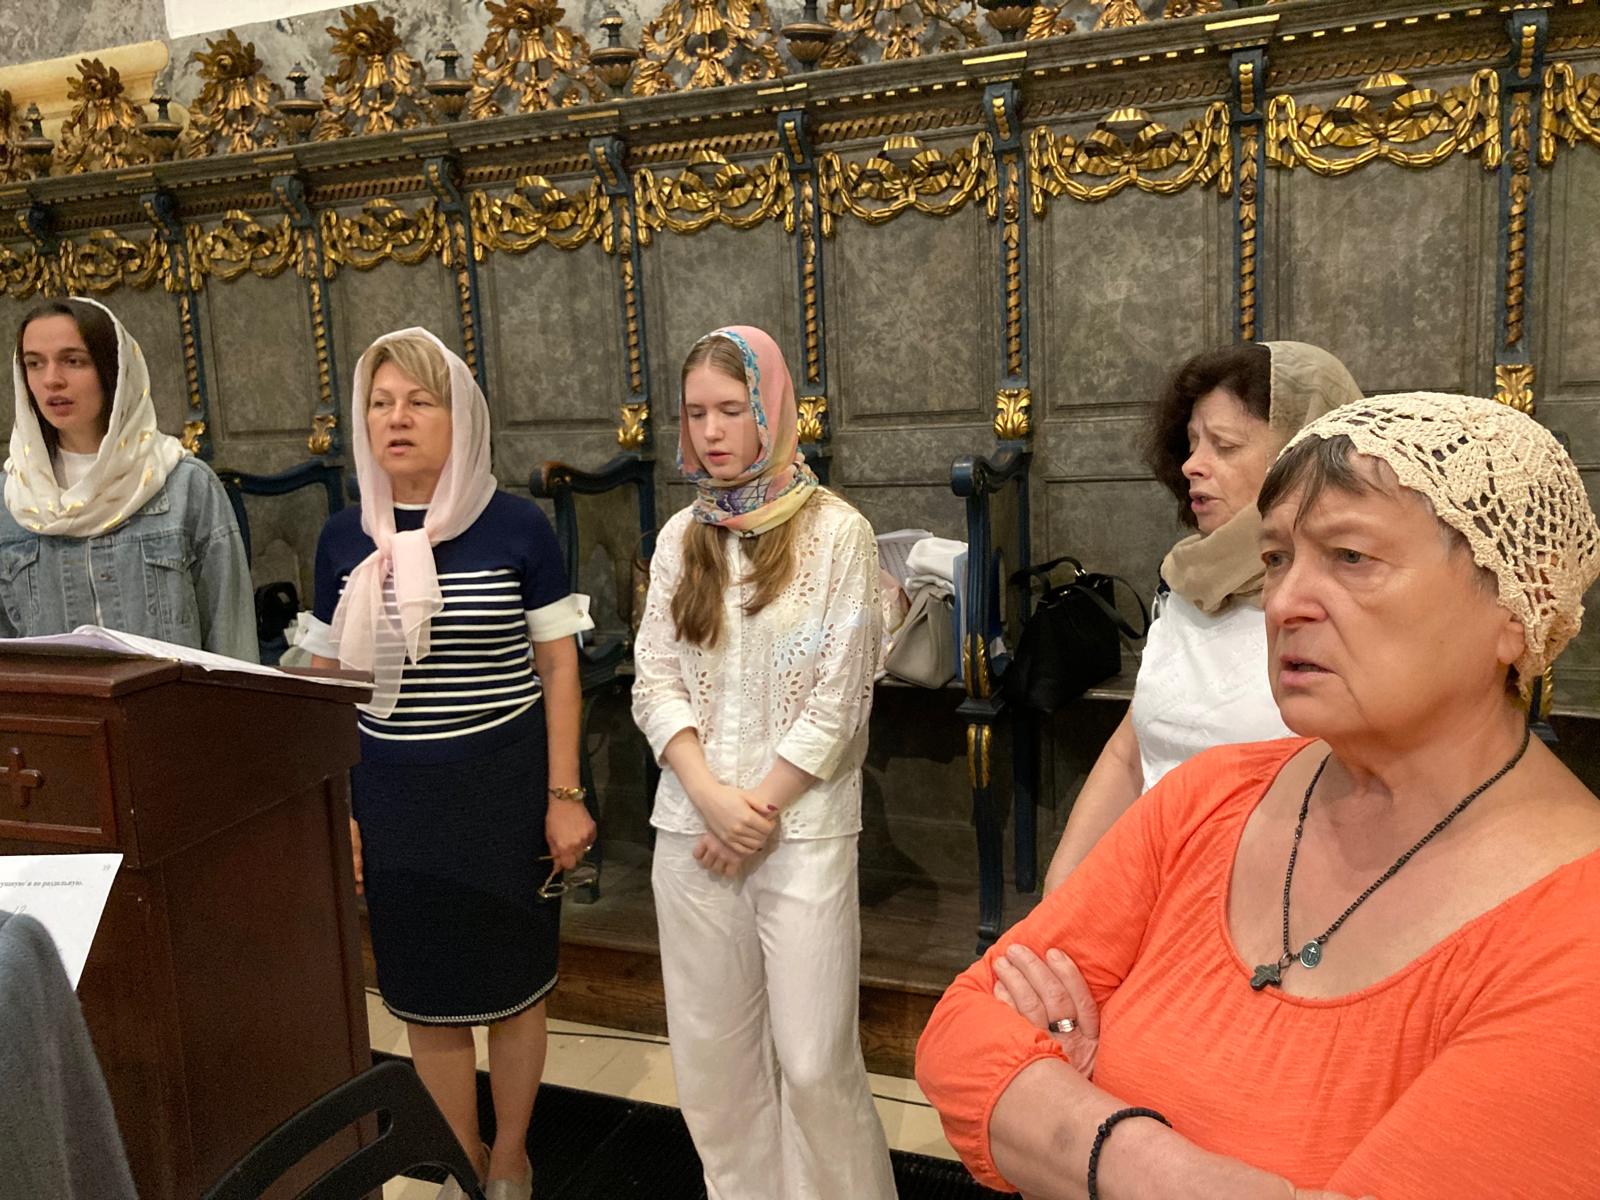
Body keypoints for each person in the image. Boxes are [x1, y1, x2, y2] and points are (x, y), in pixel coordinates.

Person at [916, 393, 1600, 1200]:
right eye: (1277, 558)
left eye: (1351, 556)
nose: (1283, 603)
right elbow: (961, 1035)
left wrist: (1067, 1108)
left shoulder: (1574, 930)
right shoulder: (1212, 796)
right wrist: (1149, 1163)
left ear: (1517, 605)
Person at [301, 328, 594, 1200]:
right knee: (425, 998)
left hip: (503, 791)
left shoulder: (516, 526)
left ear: (459, 417)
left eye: (419, 402)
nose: (397, 419)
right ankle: (463, 1159)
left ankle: (511, 1157)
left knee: (516, 990)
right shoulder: (342, 539)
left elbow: (559, 667)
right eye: (380, 403)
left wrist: (565, 794)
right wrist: (337, 808)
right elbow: (327, 684)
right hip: (392, 796)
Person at [630, 326, 896, 1200]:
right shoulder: (682, 537)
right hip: (693, 831)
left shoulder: (839, 533)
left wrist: (758, 809)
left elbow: (841, 697)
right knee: (715, 1069)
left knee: (815, 1064)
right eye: (695, 413)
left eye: (731, 409)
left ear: (772, 410)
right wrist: (710, 796)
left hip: (803, 831)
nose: (711, 431)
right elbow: (653, 680)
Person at [1043, 341, 1362, 890]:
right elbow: (1129, 754)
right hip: (1149, 881)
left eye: (1225, 445)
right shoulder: (1188, 580)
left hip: (1270, 902)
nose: (1192, 464)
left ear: (1302, 454)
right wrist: (1063, 893)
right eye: (1191, 443)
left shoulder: (1345, 606)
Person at [0, 297, 256, 660]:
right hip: (59, 700)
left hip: (171, 698)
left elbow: (232, 641)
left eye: (73, 361)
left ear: (113, 369)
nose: (51, 380)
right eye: (34, 364)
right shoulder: (11, 499)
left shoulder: (184, 485)